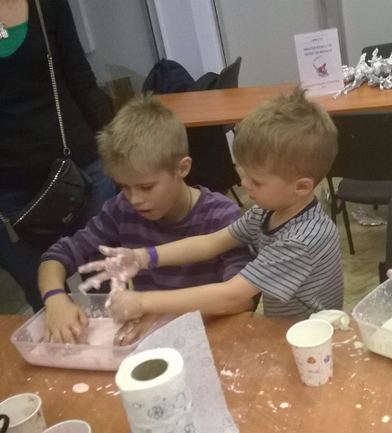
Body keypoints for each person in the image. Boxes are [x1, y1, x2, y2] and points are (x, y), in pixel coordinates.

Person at [78, 86, 345, 320]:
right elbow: (210, 243)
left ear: (301, 187)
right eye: (245, 174)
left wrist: (143, 302)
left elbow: (231, 295)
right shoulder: (267, 212)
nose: (244, 184)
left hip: (314, 335)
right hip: (284, 327)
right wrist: (142, 257)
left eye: (256, 181)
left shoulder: (302, 239)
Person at [38, 95, 253, 345]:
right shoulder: (121, 210)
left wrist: (155, 307)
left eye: (146, 187)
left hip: (211, 337)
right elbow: (56, 256)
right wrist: (55, 298)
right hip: (151, 340)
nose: (135, 199)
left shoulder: (221, 216)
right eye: (124, 186)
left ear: (182, 168)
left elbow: (241, 299)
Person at [0, 0, 116, 311]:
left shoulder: (46, 3)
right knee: (48, 305)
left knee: (111, 291)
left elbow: (82, 82)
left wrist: (124, 154)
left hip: (82, 174)